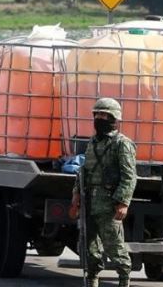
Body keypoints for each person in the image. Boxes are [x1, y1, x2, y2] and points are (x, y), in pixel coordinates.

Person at [70, 98, 137, 287]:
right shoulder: (92, 142)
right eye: (97, 114)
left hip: (109, 204)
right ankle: (92, 280)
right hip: (90, 202)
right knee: (90, 249)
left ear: (114, 117)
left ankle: (124, 281)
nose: (99, 118)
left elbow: (129, 176)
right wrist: (76, 195)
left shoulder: (122, 144)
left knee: (115, 248)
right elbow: (84, 170)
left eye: (104, 115)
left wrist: (123, 202)